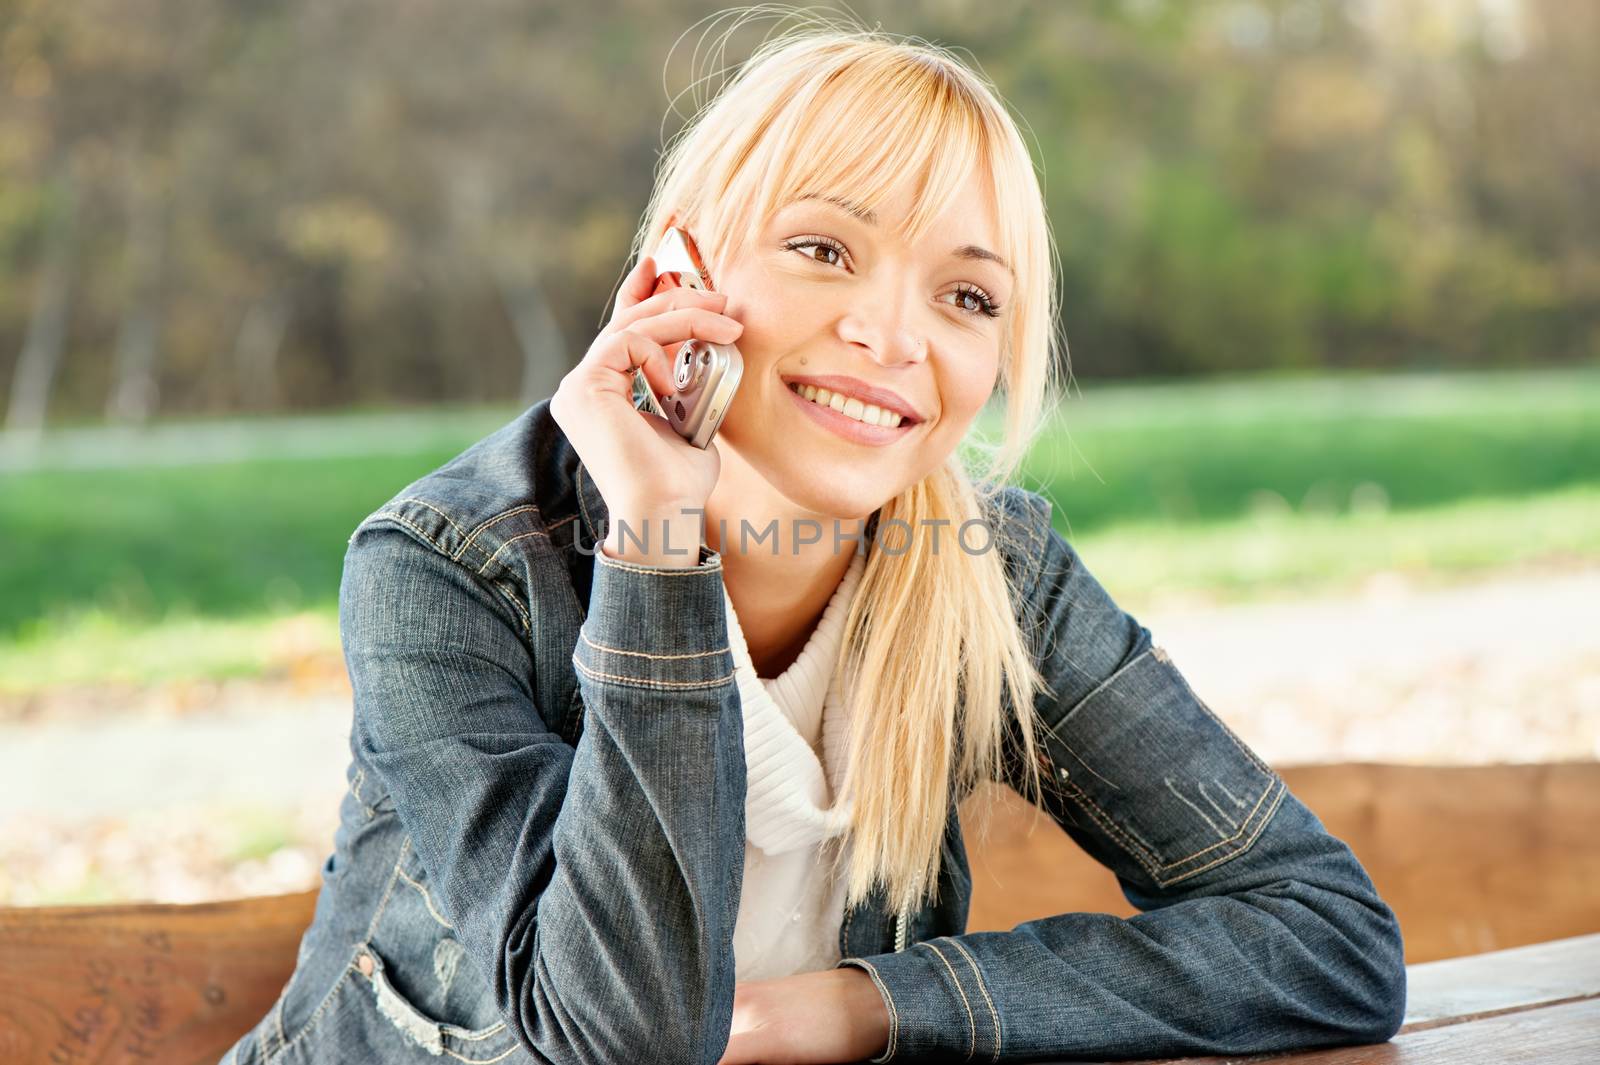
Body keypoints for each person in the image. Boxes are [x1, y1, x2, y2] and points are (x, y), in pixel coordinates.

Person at [220, 18, 1406, 1065]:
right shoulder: (450, 570)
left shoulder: (989, 573)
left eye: (967, 297)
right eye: (825, 249)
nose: (891, 334)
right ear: (677, 274)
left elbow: (1325, 933)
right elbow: (618, 1036)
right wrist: (654, 543)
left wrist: (847, 1010)